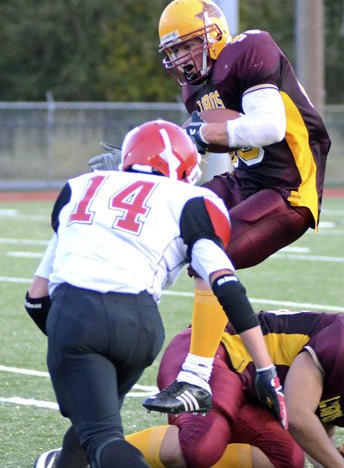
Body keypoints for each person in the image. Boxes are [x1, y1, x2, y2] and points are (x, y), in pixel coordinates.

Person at [88, 0, 332, 413]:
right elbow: (191, 159)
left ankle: (196, 377)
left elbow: (268, 127)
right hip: (246, 180)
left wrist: (199, 135)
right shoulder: (195, 89)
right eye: (173, 51)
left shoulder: (250, 51)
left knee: (210, 255)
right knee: (169, 219)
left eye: (187, 45)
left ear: (213, 32)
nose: (182, 58)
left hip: (288, 188)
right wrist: (138, 168)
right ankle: (124, 312)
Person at [29, 120, 285, 468]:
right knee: (90, 427)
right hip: (141, 328)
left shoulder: (80, 187)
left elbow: (36, 297)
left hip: (79, 313)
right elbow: (226, 285)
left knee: (102, 438)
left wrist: (72, 341)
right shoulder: (194, 199)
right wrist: (265, 367)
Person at [33, 311, 344, 468]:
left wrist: (330, 448)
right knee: (200, 447)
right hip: (213, 354)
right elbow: (301, 416)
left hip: (248, 392)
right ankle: (81, 459)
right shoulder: (343, 342)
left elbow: (316, 423)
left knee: (286, 459)